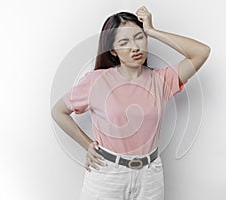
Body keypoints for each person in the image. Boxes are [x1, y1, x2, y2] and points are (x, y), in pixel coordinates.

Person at [51, 6, 210, 200]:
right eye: (124, 42)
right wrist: (87, 145)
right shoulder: (96, 81)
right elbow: (59, 111)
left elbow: (201, 52)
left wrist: (152, 30)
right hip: (107, 175)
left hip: (150, 177)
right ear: (113, 51)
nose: (135, 47)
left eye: (139, 37)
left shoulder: (160, 80)